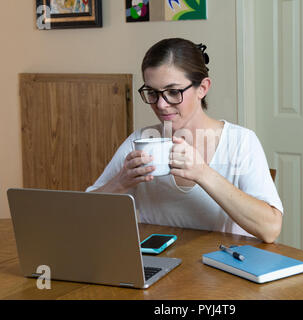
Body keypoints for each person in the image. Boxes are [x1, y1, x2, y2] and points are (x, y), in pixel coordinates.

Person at [86, 38, 283, 243]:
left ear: (202, 88)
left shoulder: (240, 141)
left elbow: (270, 229)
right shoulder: (139, 142)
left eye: (173, 92)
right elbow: (82, 214)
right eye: (152, 92)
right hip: (158, 266)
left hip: (223, 267)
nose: (161, 104)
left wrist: (203, 173)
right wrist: (120, 182)